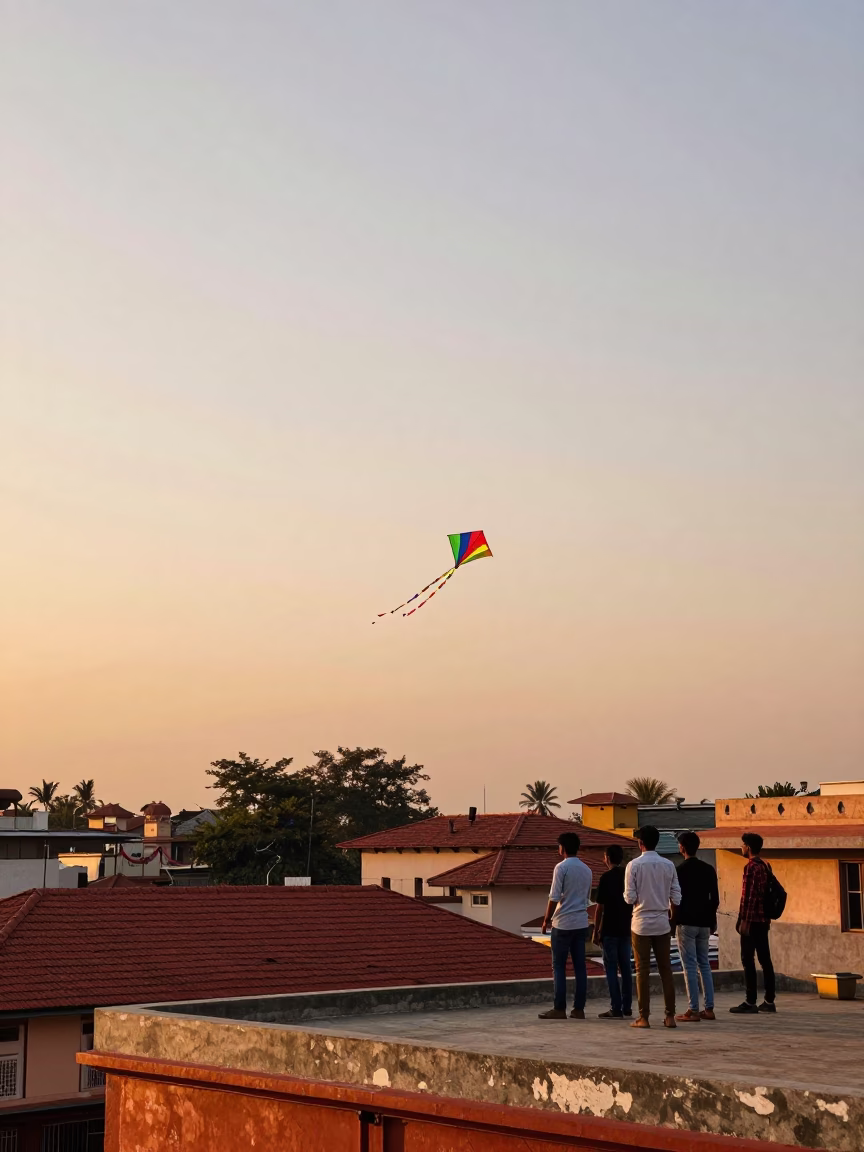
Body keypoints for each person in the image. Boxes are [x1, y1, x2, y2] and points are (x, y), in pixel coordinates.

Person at [624, 825, 681, 1029]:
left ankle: (644, 1016)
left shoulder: (634, 865)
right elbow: (676, 896)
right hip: (662, 922)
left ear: (641, 843)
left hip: (640, 922)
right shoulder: (668, 865)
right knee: (666, 970)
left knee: (642, 971)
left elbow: (629, 897)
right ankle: (670, 1015)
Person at [538, 832, 593, 1020]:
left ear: (562, 848)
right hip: (581, 922)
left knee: (559, 967)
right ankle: (579, 1009)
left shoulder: (561, 868)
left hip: (563, 923)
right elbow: (586, 898)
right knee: (580, 967)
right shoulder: (587, 869)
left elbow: (554, 896)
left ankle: (559, 1008)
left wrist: (546, 919)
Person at [671, 831, 719, 1022]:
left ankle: (693, 1009)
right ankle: (709, 1008)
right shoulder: (708, 869)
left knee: (690, 966)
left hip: (687, 922)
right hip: (704, 923)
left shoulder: (679, 870)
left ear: (682, 847)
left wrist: (672, 921)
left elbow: (674, 899)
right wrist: (712, 920)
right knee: (704, 964)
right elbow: (714, 899)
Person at [730, 832, 776, 1014]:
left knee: (747, 960)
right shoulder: (766, 865)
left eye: (742, 845)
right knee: (765, 960)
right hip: (763, 920)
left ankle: (750, 1001)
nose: (741, 847)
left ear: (748, 847)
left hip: (752, 921)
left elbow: (748, 898)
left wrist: (742, 921)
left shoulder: (750, 867)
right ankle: (769, 1001)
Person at [593, 844, 633, 1019]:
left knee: (610, 968)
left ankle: (615, 1007)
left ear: (608, 858)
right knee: (626, 968)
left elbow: (599, 907)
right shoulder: (628, 876)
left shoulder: (606, 877)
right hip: (626, 928)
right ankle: (627, 1006)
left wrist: (596, 930)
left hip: (609, 929)